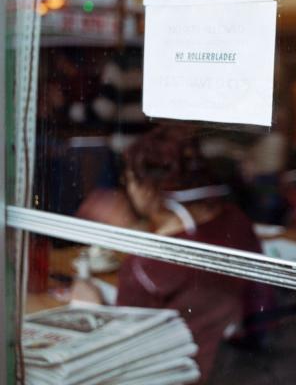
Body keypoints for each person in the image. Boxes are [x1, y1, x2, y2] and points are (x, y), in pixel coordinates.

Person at [73, 126, 271, 384]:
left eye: (129, 180)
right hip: (238, 364)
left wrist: (92, 306)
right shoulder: (236, 220)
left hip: (175, 374)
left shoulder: (143, 266)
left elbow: (122, 354)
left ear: (147, 188)